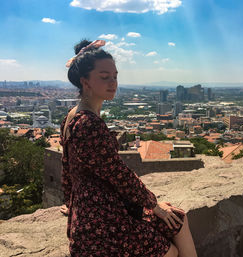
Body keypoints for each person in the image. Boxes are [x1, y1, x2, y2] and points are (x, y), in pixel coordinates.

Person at [59, 39, 198, 257]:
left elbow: (67, 166)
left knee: (177, 220)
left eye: (115, 76)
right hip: (102, 220)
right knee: (169, 251)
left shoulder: (73, 115)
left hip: (101, 209)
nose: (113, 82)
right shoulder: (88, 124)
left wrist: (71, 202)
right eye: (104, 77)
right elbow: (119, 174)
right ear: (85, 81)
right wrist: (154, 204)